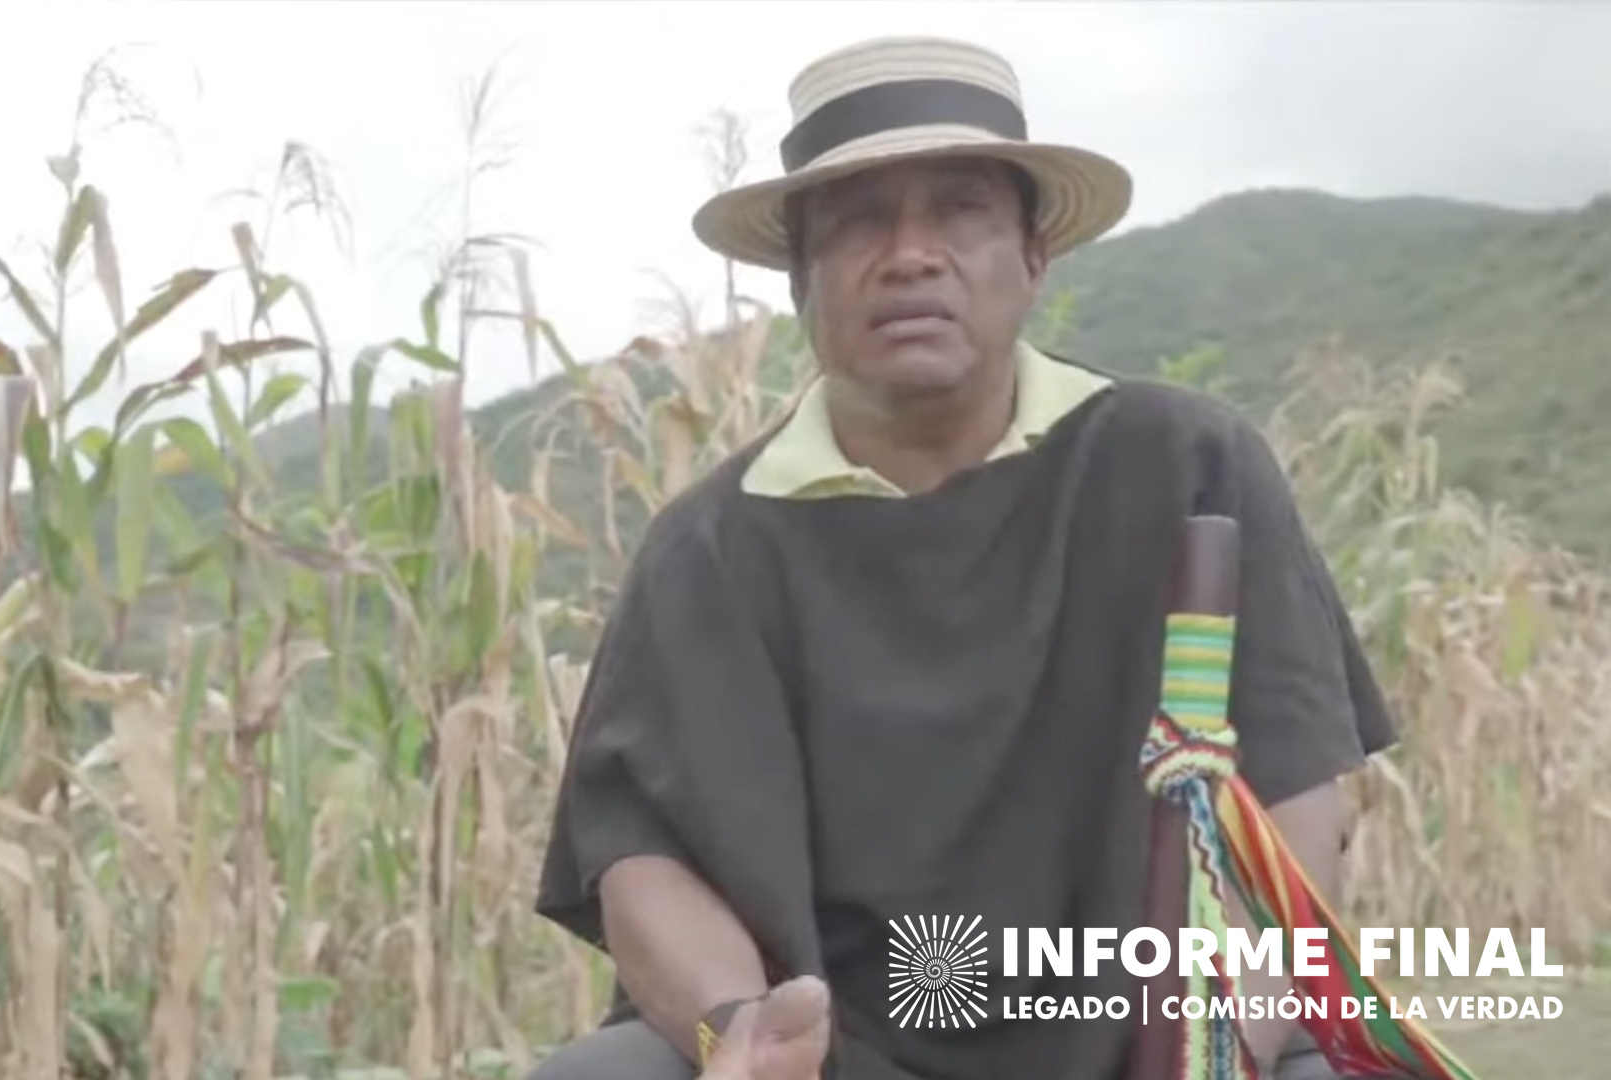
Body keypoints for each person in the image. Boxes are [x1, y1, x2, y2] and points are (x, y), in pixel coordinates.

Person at [527, 35, 1398, 1080]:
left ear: (1034, 256)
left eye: (960, 209)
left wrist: (1220, 1051)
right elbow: (643, 861)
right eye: (857, 220)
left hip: (1157, 1044)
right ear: (802, 278)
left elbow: (1297, 800)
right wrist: (742, 1035)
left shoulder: (1186, 466)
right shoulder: (712, 547)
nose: (909, 253)